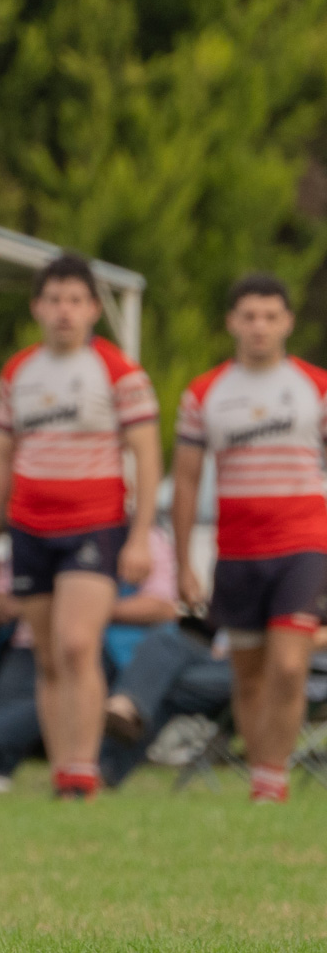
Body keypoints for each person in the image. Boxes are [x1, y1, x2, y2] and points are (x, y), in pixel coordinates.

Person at [0, 253, 162, 800]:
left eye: (75, 301)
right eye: (53, 300)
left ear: (94, 309)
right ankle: (63, 772)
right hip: (30, 529)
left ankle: (85, 766)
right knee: (49, 654)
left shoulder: (118, 372)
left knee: (79, 644)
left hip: (94, 527)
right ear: (37, 307)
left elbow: (148, 456)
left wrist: (142, 533)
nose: (64, 311)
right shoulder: (19, 372)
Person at [170, 273, 327, 803]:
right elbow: (187, 480)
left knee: (288, 666)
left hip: (304, 545)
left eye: (270, 316)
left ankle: (270, 780)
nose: (259, 326)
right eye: (249, 316)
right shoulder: (204, 393)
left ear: (287, 322)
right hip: (236, 552)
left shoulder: (316, 387)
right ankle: (264, 776)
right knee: (250, 675)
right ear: (233, 322)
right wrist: (184, 562)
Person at [0, 526, 180, 791]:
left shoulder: (146, 539)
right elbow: (0, 597)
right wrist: (35, 606)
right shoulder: (34, 528)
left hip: (100, 646)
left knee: (62, 681)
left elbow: (164, 606)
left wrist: (85, 607)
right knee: (19, 697)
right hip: (27, 643)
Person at [98, 620, 232, 788]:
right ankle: (127, 708)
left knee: (155, 684)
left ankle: (103, 771)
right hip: (211, 656)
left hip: (250, 674)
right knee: (164, 637)